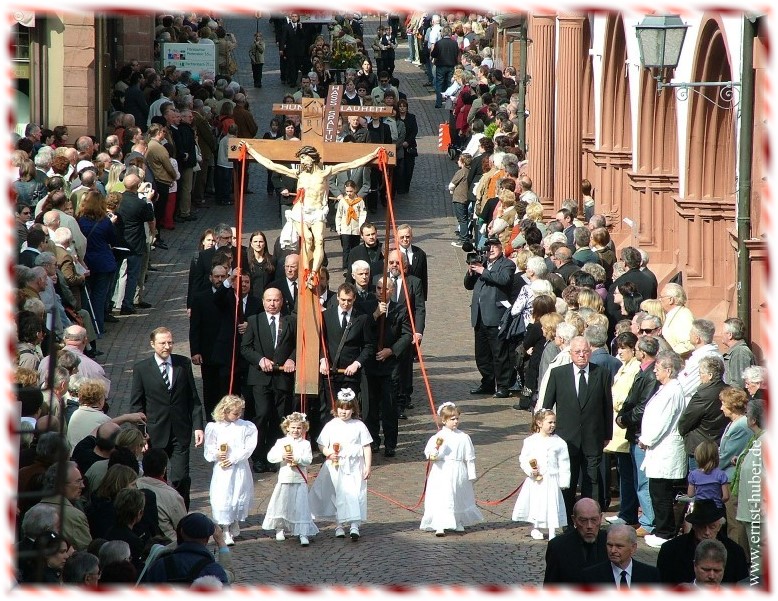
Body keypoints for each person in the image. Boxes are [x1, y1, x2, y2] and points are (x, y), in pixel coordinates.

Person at [241, 143, 380, 288]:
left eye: (303, 157)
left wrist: (372, 155)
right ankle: (306, 272)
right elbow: (272, 165)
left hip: (317, 212)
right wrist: (251, 150)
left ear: (311, 158)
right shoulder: (299, 174)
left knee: (319, 240)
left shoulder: (324, 173)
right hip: (301, 211)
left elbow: (351, 164)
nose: (301, 161)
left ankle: (313, 273)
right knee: (307, 238)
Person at [130, 327, 205, 509]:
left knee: (181, 477)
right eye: (162, 343)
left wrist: (198, 426)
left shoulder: (183, 364)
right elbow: (136, 405)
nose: (167, 346)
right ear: (152, 344)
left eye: (170, 342)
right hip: (155, 434)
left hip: (180, 431)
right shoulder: (142, 369)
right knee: (155, 480)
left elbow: (193, 398)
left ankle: (181, 513)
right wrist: (141, 435)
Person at [542, 336, 614, 521]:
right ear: (570, 353)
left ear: (590, 352)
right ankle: (566, 518)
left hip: (593, 436)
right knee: (568, 480)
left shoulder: (602, 373)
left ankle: (590, 518)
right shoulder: (558, 374)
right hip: (567, 438)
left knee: (592, 480)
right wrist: (545, 432)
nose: (582, 355)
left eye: (585, 351)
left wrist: (607, 434)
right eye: (577, 352)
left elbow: (607, 405)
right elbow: (547, 406)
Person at [240, 286, 297, 473]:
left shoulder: (290, 321)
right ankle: (258, 456)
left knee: (279, 417)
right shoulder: (254, 321)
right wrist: (260, 359)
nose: (272, 304)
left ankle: (274, 457)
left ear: (282, 301)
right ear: (263, 301)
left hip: (282, 377)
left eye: (276, 300)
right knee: (262, 415)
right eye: (269, 300)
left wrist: (292, 359)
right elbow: (245, 348)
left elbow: (299, 344)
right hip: (260, 378)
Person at [308, 389, 372, 541]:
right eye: (341, 409)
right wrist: (329, 453)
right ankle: (339, 524)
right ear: (336, 408)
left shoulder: (359, 425)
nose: (344, 412)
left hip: (355, 464)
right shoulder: (331, 425)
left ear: (353, 409)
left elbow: (366, 447)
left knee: (356, 492)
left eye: (348, 409)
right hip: (337, 465)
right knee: (339, 493)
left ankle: (354, 524)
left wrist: (367, 466)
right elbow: (321, 444)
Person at [639, 350, 687, 548]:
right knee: (658, 491)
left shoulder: (672, 391)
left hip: (664, 449)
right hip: (659, 449)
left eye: (658, 369)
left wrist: (646, 439)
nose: (655, 372)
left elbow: (663, 421)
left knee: (661, 494)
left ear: (668, 370)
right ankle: (662, 530)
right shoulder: (667, 388)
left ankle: (665, 532)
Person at [420, 402, 484, 536]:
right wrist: (435, 452)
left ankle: (457, 521)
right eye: (452, 419)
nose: (455, 422)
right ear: (444, 420)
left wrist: (471, 474)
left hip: (459, 470)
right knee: (442, 496)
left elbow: (469, 457)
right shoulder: (438, 437)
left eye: (457, 419)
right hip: (442, 470)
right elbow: (430, 455)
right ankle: (439, 525)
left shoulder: (464, 437)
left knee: (458, 496)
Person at [203, 395, 257, 547]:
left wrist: (234, 458)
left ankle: (234, 521)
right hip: (223, 469)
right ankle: (225, 528)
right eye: (235, 413)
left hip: (239, 466)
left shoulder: (246, 426)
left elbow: (249, 447)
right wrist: (217, 454)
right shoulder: (214, 427)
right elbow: (209, 450)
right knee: (223, 495)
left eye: (240, 412)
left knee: (239, 493)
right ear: (224, 411)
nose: (238, 415)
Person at [464, 237, 515, 397]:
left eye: (494, 247)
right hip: (479, 316)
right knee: (482, 354)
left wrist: (483, 272)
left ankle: (503, 386)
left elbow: (504, 280)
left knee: (499, 353)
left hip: (495, 315)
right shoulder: (483, 263)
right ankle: (487, 382)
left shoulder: (507, 264)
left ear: (501, 248)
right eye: (488, 248)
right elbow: (468, 285)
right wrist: (471, 272)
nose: (490, 250)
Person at [656, 498, 748, 584]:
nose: (707, 532)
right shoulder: (671, 550)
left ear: (719, 526)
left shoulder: (735, 552)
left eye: (712, 527)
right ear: (694, 526)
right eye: (702, 527)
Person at [511, 409, 570, 540]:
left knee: (552, 504)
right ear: (539, 423)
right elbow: (524, 459)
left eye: (554, 422)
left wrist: (564, 481)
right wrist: (530, 470)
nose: (553, 425)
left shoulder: (559, 442)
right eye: (549, 422)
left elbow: (564, 462)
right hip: (536, 480)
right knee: (536, 503)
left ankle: (552, 528)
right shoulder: (530, 441)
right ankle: (535, 526)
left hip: (551, 479)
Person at [261, 412, 318, 546]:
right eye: (293, 427)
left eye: (299, 428)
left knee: (301, 506)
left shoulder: (305, 444)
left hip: (299, 479)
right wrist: (283, 456)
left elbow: (308, 460)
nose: (295, 430)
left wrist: (297, 459)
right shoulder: (281, 442)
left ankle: (302, 532)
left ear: (304, 429)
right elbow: (270, 457)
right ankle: (280, 528)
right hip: (285, 478)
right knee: (282, 503)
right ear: (287, 427)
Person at [141, 513, 232, 584]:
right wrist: (221, 542)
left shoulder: (160, 565)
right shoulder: (213, 570)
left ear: (181, 532)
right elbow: (229, 576)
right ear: (207, 539)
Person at [543, 497, 608, 584]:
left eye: (594, 520)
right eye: (583, 520)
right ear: (574, 520)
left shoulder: (611, 542)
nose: (589, 526)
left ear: (600, 518)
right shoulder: (558, 547)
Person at [581, 524, 660, 586]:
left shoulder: (651, 575)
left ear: (633, 548)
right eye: (610, 545)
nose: (613, 550)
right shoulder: (591, 577)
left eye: (619, 546)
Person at [687, 440, 729, 510]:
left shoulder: (693, 475)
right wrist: (718, 502)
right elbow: (726, 496)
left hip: (700, 509)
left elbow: (690, 494)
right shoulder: (721, 474)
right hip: (716, 509)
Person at [335, 179, 367, 269]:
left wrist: (361, 227)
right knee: (346, 249)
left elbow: (362, 214)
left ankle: (354, 266)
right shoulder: (343, 201)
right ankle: (345, 267)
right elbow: (339, 215)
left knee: (355, 248)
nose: (349, 193)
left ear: (355, 190)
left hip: (356, 229)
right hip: (345, 228)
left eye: (351, 191)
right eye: (347, 191)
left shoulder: (360, 201)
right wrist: (338, 227)